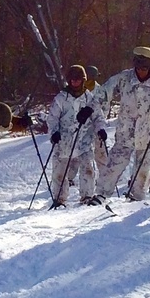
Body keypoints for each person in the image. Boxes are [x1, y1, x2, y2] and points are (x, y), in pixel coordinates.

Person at [89, 46, 150, 203]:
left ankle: (136, 197)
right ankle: (101, 194)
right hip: (126, 132)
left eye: (145, 68)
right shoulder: (124, 78)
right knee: (114, 164)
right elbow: (104, 91)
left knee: (143, 169)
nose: (141, 71)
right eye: (138, 67)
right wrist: (89, 107)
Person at [46, 65, 106, 206]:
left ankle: (87, 196)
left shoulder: (89, 98)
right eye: (72, 80)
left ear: (83, 80)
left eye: (78, 80)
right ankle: (59, 199)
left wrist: (101, 129)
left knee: (88, 170)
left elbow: (98, 117)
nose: (75, 82)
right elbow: (52, 118)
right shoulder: (61, 98)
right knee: (59, 173)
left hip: (83, 141)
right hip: (63, 142)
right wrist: (54, 133)